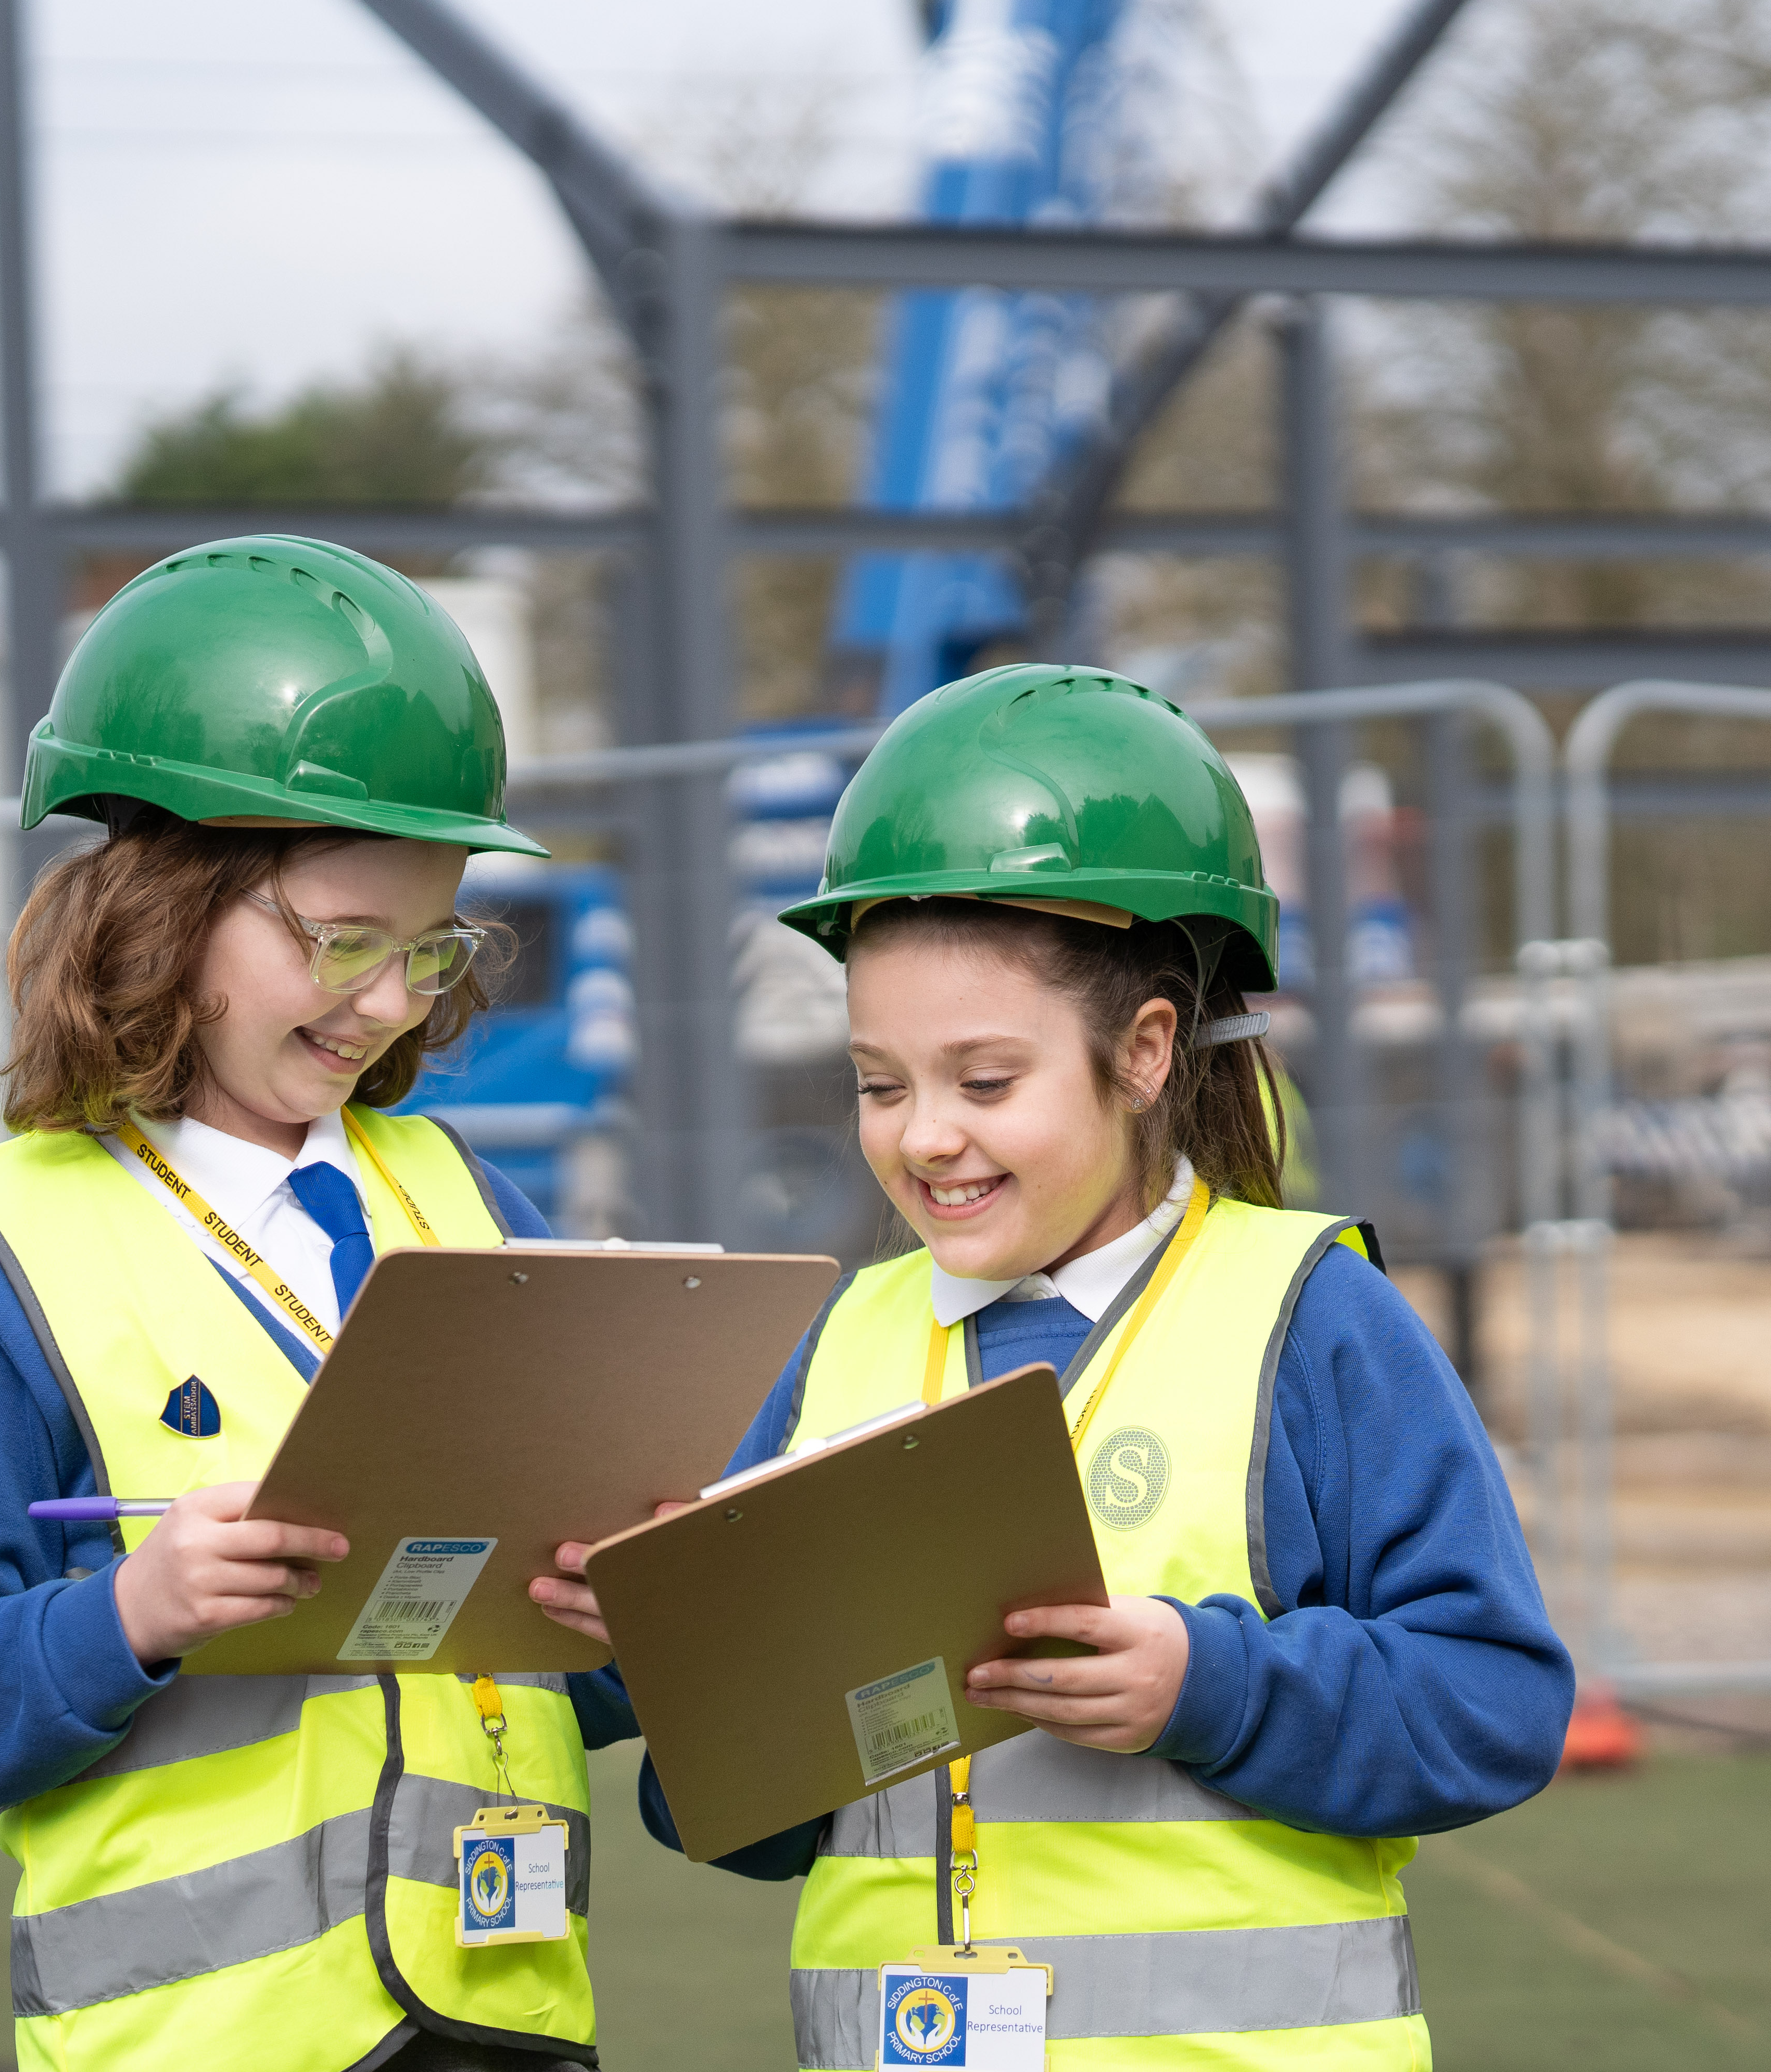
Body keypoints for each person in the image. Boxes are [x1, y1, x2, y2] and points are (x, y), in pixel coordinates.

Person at [541, 663, 1573, 2071]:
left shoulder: (1316, 1318)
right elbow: (755, 1825)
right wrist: (682, 1654)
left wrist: (1208, 1688)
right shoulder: (837, 1342)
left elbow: (1494, 1704)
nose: (923, 1138)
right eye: (879, 1083)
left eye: (983, 1082)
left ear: (1144, 1053)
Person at [0, 536, 623, 2072]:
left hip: (514, 2023)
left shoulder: (464, 1202)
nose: (392, 1001)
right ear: (159, 909)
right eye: (339, 941)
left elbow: (551, 1665)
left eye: (428, 946)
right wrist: (133, 1614)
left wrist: (626, 1614)